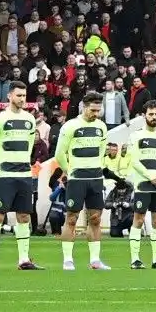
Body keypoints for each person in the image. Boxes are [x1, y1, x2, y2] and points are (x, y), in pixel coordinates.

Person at [0, 82, 43, 271]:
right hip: (5, 174)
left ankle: (24, 259)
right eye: (18, 95)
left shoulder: (29, 120)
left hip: (24, 174)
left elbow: (31, 144)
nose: (22, 99)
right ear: (9, 96)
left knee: (24, 216)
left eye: (24, 96)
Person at [52, 96, 113, 271]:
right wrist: (69, 171)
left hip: (95, 179)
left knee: (95, 219)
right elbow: (59, 154)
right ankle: (68, 260)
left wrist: (100, 167)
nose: (96, 114)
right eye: (92, 110)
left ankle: (95, 260)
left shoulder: (101, 127)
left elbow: (102, 152)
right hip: (77, 179)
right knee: (71, 219)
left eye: (98, 110)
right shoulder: (70, 126)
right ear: (83, 107)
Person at [125, 100, 156, 269]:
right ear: (144, 115)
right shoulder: (136, 136)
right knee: (138, 220)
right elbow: (134, 160)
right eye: (151, 114)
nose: (154, 117)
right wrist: (149, 176)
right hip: (143, 184)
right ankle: (135, 259)